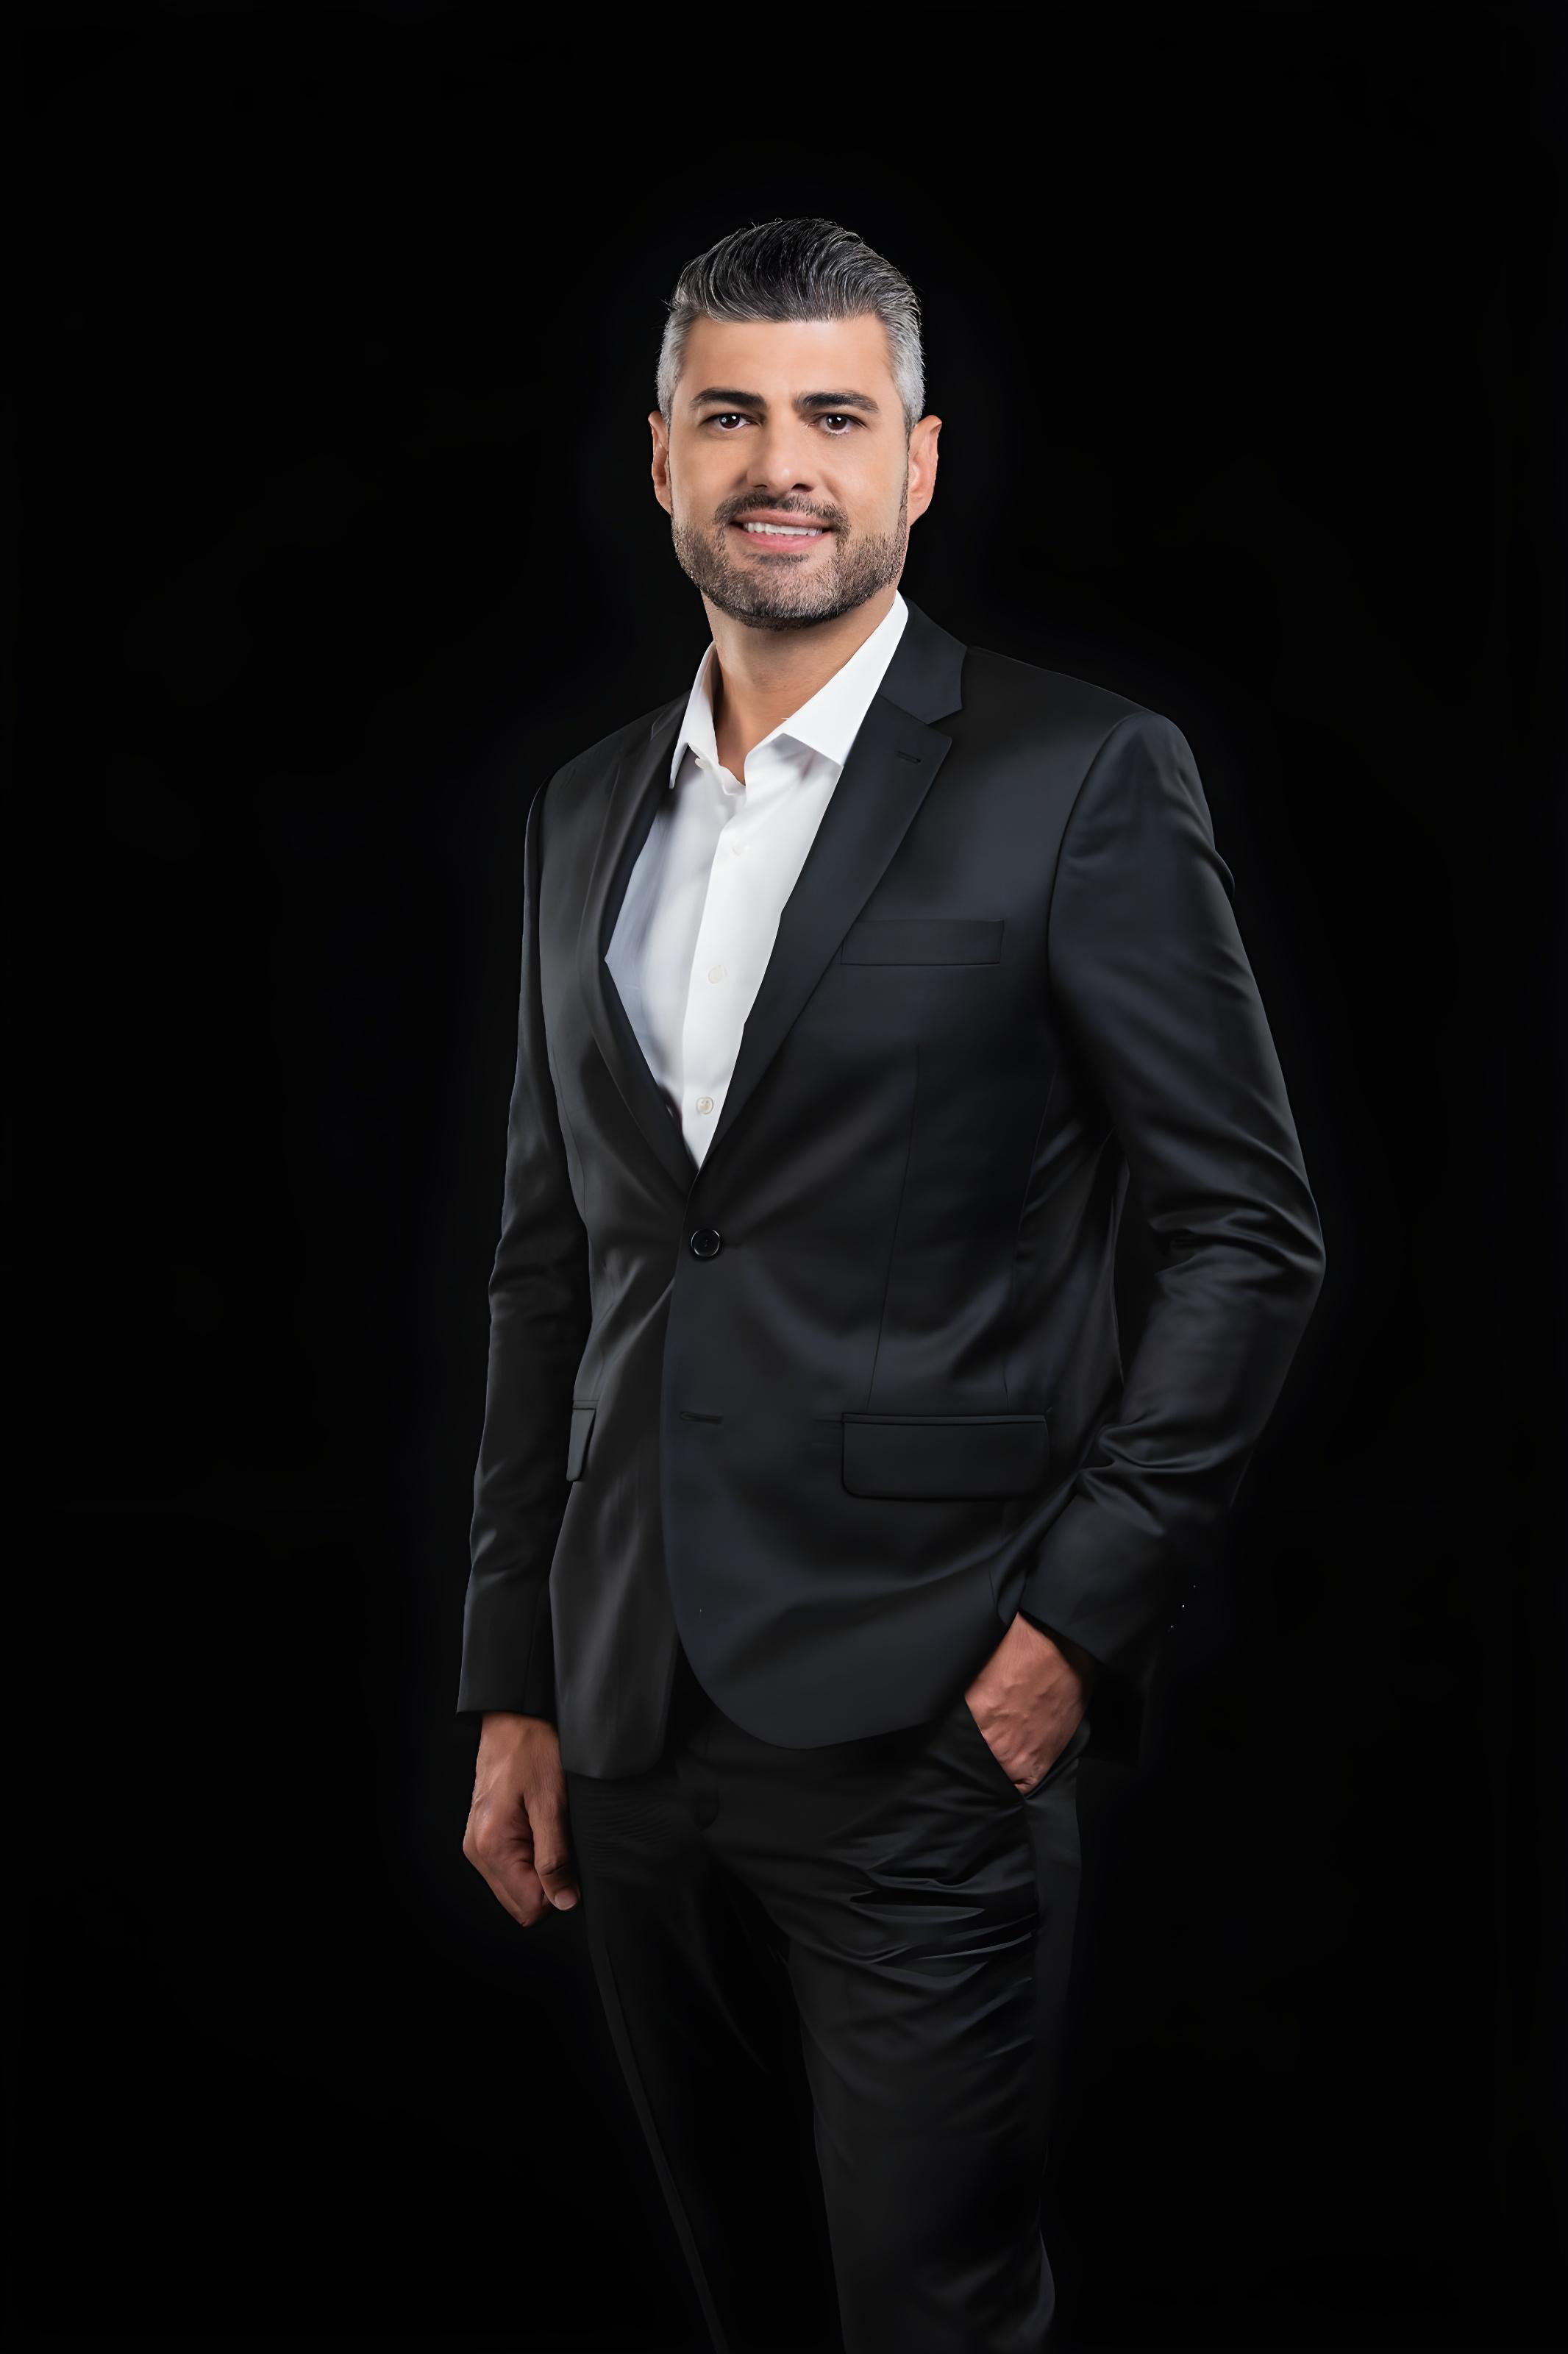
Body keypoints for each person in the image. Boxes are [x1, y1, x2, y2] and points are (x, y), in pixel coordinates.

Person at [457, 216, 1326, 2354]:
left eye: (834, 418)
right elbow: (552, 1267)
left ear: (916, 465)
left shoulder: (1077, 775)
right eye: (733, 417)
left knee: (931, 2318)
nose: (784, 465)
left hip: (930, 1708)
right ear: (659, 456)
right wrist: (514, 1675)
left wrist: (1072, 1630)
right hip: (631, 1711)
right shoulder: (582, 814)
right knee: (747, 2310)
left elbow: (1245, 1229)